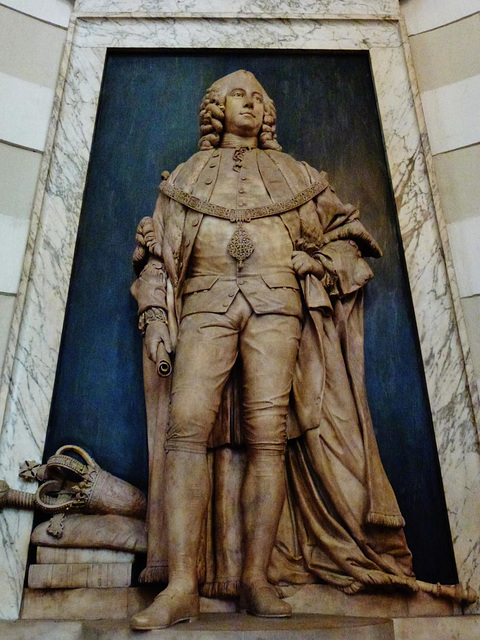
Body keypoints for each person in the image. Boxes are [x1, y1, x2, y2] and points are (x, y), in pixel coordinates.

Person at [129, 70, 415, 631]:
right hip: (206, 305)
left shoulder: (297, 175)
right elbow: (157, 257)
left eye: (259, 97)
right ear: (214, 107)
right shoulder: (185, 176)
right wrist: (157, 314)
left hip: (276, 306)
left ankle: (257, 579)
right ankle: (182, 584)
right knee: (185, 427)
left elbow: (353, 237)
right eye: (239, 94)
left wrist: (320, 261)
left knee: (267, 436)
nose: (252, 104)